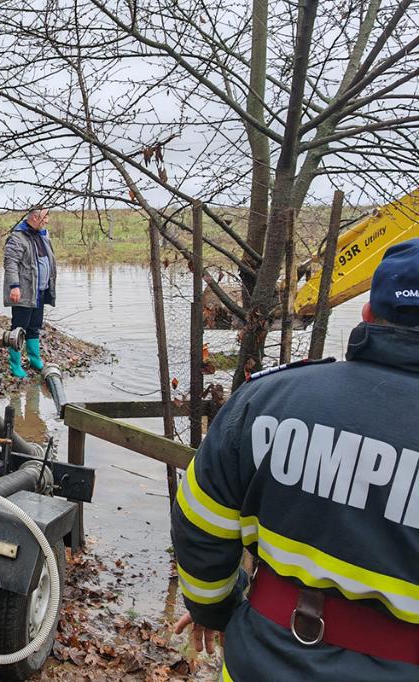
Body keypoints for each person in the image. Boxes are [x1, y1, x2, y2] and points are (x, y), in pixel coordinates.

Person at [171, 239, 419, 680]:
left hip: (261, 662)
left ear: (366, 314)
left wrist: (214, 608)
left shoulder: (267, 399)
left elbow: (200, 521)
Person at [2, 207, 57, 378]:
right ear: (34, 217)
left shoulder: (43, 236)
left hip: (39, 291)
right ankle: (15, 365)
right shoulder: (17, 237)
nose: (47, 220)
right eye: (45, 217)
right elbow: (10, 263)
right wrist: (14, 286)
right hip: (23, 291)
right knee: (19, 328)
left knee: (34, 326)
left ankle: (35, 360)